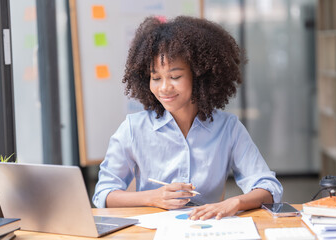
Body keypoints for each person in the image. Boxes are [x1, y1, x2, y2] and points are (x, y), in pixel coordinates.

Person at [93, 16, 283, 220]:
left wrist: (234, 202)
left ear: (200, 76)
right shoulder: (133, 128)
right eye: (155, 78)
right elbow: (103, 194)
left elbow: (270, 188)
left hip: (206, 229)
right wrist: (152, 198)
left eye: (175, 77)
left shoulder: (228, 127)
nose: (164, 87)